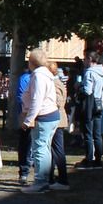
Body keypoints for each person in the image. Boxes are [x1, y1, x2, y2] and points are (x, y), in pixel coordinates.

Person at [21, 48, 61, 194]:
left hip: (43, 116)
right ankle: (45, 180)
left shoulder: (38, 76)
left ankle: (40, 182)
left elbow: (37, 99)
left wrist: (28, 119)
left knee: (39, 150)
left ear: (32, 62)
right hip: (51, 115)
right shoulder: (47, 74)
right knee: (45, 149)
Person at [78, 51, 103, 168]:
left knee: (88, 133)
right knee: (97, 134)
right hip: (99, 103)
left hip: (90, 104)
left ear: (90, 59)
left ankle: (89, 158)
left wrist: (79, 87)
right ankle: (98, 160)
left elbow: (87, 90)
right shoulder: (102, 72)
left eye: (85, 59)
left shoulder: (89, 73)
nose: (84, 61)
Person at [46, 59, 70, 189]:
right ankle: (50, 177)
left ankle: (62, 179)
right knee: (52, 150)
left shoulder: (54, 84)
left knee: (57, 150)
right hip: (57, 119)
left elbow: (58, 102)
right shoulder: (57, 82)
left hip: (56, 119)